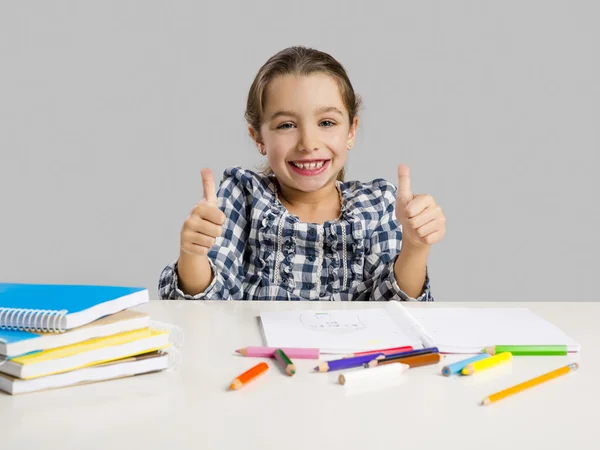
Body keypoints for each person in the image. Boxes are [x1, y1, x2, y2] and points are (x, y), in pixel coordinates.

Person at [158, 46, 446, 301]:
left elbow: (396, 314)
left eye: (327, 122)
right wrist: (193, 254)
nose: (308, 143)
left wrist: (415, 247)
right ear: (258, 137)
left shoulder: (379, 204)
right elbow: (206, 306)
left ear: (351, 131)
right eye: (286, 125)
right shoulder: (242, 196)